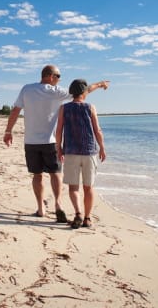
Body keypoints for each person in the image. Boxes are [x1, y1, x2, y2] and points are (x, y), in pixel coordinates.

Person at [3, 65, 109, 222]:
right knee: (55, 173)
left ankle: (40, 208)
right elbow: (83, 92)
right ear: (51, 76)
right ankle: (58, 205)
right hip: (50, 141)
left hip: (31, 141)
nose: (59, 79)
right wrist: (100, 84)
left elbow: (16, 110)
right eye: (58, 76)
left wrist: (8, 131)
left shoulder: (26, 89)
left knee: (37, 175)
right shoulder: (56, 92)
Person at [55, 79, 106, 229]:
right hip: (89, 151)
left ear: (71, 92)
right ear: (84, 93)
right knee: (88, 187)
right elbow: (97, 130)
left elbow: (59, 131)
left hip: (71, 151)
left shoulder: (64, 108)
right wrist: (102, 147)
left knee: (73, 187)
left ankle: (77, 213)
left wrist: (59, 148)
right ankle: (87, 218)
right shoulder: (90, 107)